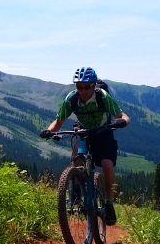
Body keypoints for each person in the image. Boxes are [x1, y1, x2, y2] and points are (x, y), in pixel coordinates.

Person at [40, 67, 130, 225]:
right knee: (77, 154)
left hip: (103, 131)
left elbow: (122, 115)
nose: (83, 90)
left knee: (107, 166)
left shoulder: (102, 96)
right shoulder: (72, 99)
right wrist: (49, 131)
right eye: (79, 87)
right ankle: (75, 188)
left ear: (94, 85)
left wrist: (122, 121)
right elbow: (58, 121)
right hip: (82, 130)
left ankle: (109, 204)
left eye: (87, 87)